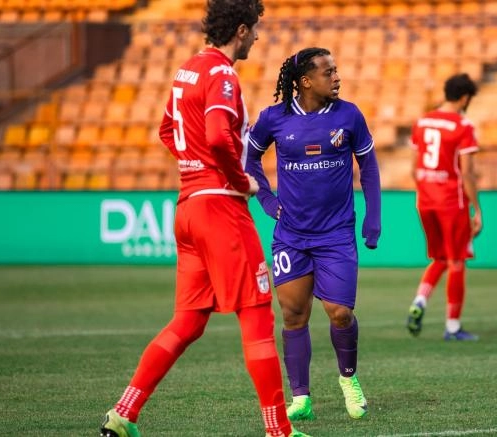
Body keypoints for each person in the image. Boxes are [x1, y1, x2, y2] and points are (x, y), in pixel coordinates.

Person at [100, 2, 309, 436]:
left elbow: (167, 129)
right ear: (240, 30)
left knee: (188, 321)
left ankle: (123, 413)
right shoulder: (221, 75)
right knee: (257, 315)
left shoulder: (187, 71)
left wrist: (195, 167)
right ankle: (279, 431)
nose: (257, 38)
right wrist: (238, 179)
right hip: (220, 210)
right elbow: (216, 136)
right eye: (255, 30)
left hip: (189, 208)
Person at [245, 47, 381, 421]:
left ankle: (348, 379)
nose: (337, 77)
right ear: (305, 81)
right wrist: (266, 199)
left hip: (336, 234)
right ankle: (301, 398)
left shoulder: (349, 115)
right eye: (328, 72)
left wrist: (373, 217)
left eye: (336, 70)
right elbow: (249, 159)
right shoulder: (274, 118)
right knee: (293, 315)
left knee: (340, 313)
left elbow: (369, 167)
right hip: (291, 236)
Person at [405, 73, 482, 341]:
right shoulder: (463, 126)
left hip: (425, 201)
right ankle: (453, 327)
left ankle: (420, 301)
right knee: (457, 260)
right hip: (451, 201)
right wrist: (477, 210)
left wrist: (428, 190)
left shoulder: (422, 121)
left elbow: (414, 168)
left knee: (440, 259)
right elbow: (467, 173)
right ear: (465, 98)